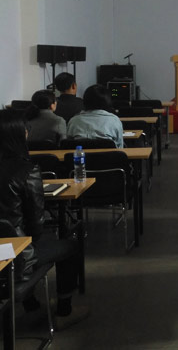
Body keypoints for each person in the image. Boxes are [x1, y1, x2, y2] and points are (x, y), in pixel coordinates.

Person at [0, 109, 87, 328]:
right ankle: (64, 311)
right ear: (20, 135)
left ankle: (32, 306)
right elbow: (36, 227)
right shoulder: (26, 171)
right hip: (15, 255)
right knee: (70, 245)